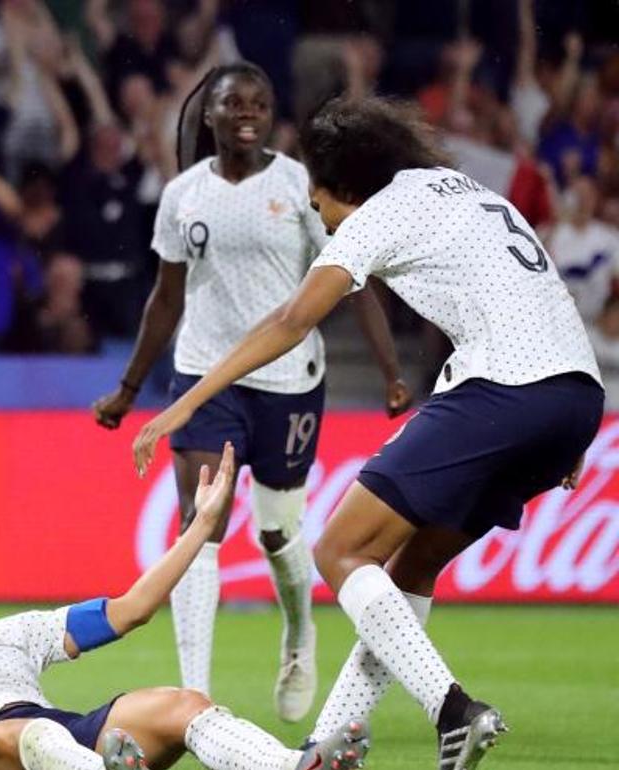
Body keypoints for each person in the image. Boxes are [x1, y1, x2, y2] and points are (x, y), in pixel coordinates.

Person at [132, 97, 605, 770]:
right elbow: (539, 295)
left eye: (318, 200)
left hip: (505, 387)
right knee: (409, 567)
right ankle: (326, 747)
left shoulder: (379, 211)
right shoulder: (467, 191)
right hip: (573, 395)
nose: (319, 217)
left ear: (343, 186)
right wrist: (568, 428)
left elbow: (292, 321)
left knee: (339, 550)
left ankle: (454, 711)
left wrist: (188, 402)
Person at [93, 63, 409, 723]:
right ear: (208, 116)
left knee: (276, 532)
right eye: (234, 102)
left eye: (260, 103)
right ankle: (194, 695)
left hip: (289, 380)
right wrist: (128, 388)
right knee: (199, 520)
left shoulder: (299, 187)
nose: (248, 112)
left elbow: (353, 279)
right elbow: (166, 297)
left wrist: (389, 370)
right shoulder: (182, 194)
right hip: (207, 372)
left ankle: (298, 630)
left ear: (272, 116)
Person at [0, 443, 372, 770]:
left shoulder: (12, 632)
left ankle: (292, 766)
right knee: (19, 737)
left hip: (61, 745)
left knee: (180, 704)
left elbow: (130, 608)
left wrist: (201, 526)